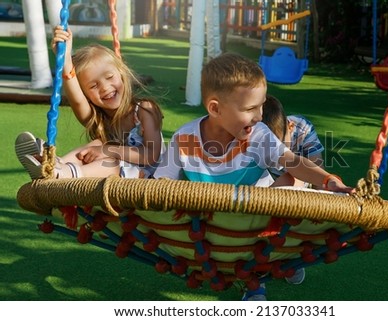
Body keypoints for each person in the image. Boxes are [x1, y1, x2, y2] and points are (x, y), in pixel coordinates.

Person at [154, 52, 353, 300]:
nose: (259, 116)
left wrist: (327, 181)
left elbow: (292, 162)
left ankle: (278, 266)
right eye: (250, 109)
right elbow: (161, 185)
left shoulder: (257, 134)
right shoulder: (184, 139)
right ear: (215, 109)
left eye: (261, 105)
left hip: (258, 216)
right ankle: (272, 267)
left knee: (292, 192)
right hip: (212, 221)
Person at [15, 25, 164, 180]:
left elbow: (151, 155)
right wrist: (66, 61)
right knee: (97, 144)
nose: (105, 88)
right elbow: (78, 101)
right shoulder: (99, 120)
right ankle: (54, 164)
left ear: (122, 74)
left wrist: (107, 151)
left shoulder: (144, 109)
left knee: (107, 155)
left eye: (109, 77)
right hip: (119, 171)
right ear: (86, 94)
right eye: (93, 86)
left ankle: (61, 174)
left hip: (149, 177)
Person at [262, 94, 324, 188]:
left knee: (293, 178)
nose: (276, 150)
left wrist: (321, 197)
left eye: (281, 143)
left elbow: (317, 165)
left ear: (290, 127)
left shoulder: (303, 129)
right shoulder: (253, 134)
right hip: (268, 183)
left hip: (302, 177)